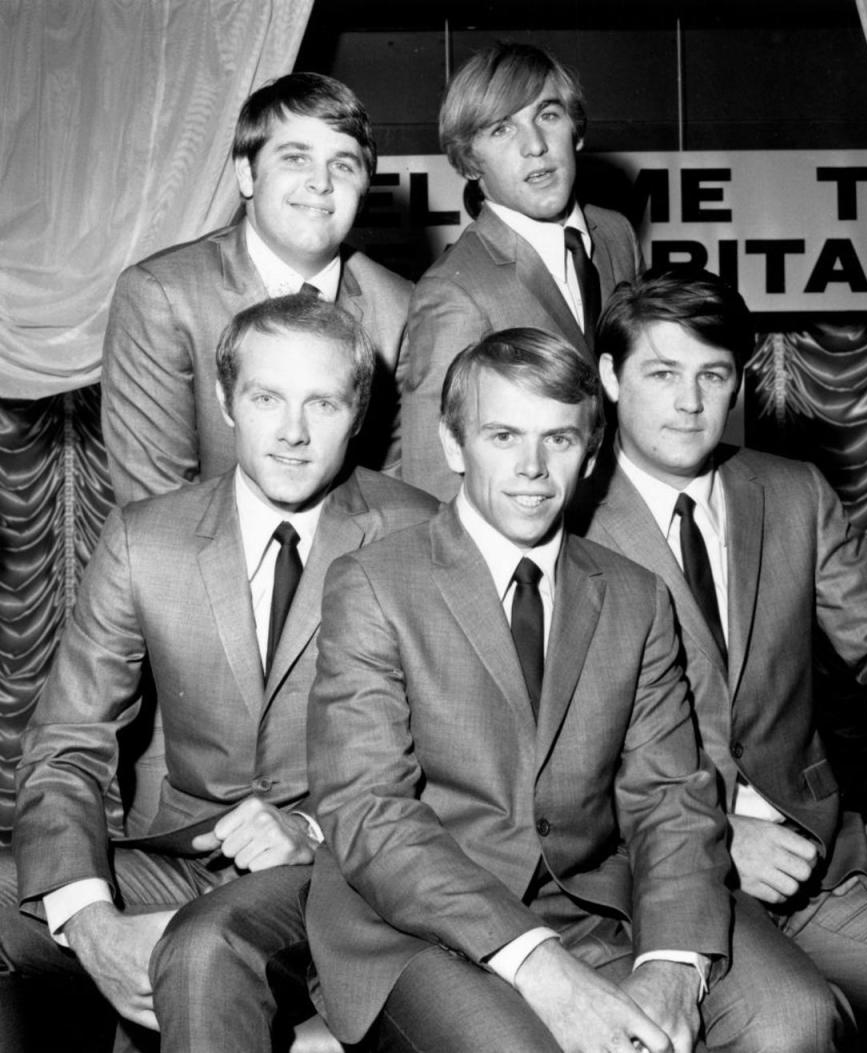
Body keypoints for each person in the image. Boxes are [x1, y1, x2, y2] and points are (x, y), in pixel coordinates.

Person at [303, 327, 850, 1053]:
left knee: (792, 1018)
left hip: (598, 901)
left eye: (559, 439)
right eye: (503, 435)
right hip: (419, 922)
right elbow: (370, 811)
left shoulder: (635, 596)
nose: (532, 467)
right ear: (453, 442)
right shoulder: (374, 584)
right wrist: (541, 968)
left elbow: (672, 797)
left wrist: (671, 966)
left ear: (591, 454)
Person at [1, 295, 437, 1053]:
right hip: (179, 859)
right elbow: (66, 746)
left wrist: (310, 829)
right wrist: (92, 922)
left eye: (323, 403)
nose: (293, 433)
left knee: (206, 946)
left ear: (359, 411)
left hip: (341, 874)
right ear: (225, 400)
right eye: (267, 397)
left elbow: (462, 761)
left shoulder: (421, 532)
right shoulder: (147, 537)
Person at [573, 266, 867, 1051]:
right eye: (662, 372)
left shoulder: (790, 492)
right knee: (792, 1024)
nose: (689, 402)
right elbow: (537, 759)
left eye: (712, 375)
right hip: (655, 880)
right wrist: (719, 833)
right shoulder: (562, 515)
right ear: (611, 378)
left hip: (818, 860)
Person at [102, 72, 411, 505]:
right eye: (296, 158)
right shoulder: (162, 296)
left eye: (343, 165)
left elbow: (396, 502)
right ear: (246, 174)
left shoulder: (401, 309)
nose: (321, 182)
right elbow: (155, 507)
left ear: (363, 188)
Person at [400, 42, 641, 500]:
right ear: (471, 161)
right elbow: (432, 480)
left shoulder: (615, 235)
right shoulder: (454, 291)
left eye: (548, 115)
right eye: (502, 129)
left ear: (577, 130)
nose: (535, 146)